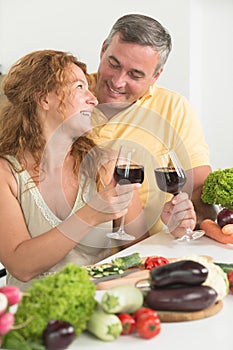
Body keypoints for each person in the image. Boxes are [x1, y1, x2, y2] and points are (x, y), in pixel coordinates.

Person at [0, 49, 195, 291]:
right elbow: (21, 266)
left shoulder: (107, 164)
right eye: (79, 87)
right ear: (44, 99)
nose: (93, 98)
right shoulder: (6, 174)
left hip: (100, 306)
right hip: (31, 315)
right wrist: (91, 214)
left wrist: (170, 231)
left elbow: (137, 250)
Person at [88, 13, 217, 235]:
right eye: (113, 64)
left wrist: (186, 217)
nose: (118, 82)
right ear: (103, 50)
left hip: (144, 250)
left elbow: (199, 191)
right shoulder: (68, 94)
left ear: (156, 76)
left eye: (135, 75)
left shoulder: (173, 108)